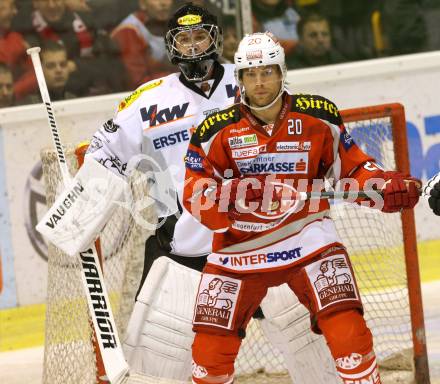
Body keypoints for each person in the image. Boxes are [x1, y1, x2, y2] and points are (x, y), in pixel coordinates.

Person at [84, 4, 339, 383]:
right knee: (158, 363)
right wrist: (82, 213)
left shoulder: (253, 81)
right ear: (170, 46)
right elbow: (102, 154)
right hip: (183, 245)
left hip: (265, 238)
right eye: (183, 39)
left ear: (216, 39)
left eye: (200, 36)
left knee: (306, 336)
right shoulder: (147, 100)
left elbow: (299, 136)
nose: (192, 46)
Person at [183, 31, 421, 384]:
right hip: (239, 249)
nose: (260, 82)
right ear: (240, 79)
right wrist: (226, 198)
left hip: (308, 238)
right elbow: (193, 189)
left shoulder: (318, 116)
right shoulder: (213, 130)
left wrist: (383, 187)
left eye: (267, 72)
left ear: (282, 73)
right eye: (251, 74)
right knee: (209, 354)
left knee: (349, 334)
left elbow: (352, 169)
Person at [111, 0, 175, 88]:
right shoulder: (129, 31)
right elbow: (139, 82)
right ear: (142, 4)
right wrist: (178, 76)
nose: (163, 3)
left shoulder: (172, 23)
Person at [0, 0, 36, 101]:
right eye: (11, 7)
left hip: (15, 103)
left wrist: (12, 90)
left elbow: (35, 74)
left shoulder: (16, 39)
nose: (15, 12)